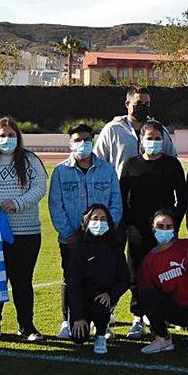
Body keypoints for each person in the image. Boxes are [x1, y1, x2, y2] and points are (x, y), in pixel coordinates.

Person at [0, 117, 47, 340]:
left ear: (18, 137)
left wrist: (17, 203)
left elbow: (40, 187)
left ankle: (26, 325)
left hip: (26, 232)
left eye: (11, 135)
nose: (7, 139)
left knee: (22, 280)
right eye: (2, 135)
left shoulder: (30, 161)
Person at [49, 123, 122, 339]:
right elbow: (56, 205)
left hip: (103, 238)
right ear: (70, 143)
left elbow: (116, 202)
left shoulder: (107, 170)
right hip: (72, 239)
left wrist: (108, 229)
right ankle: (67, 319)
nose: (83, 144)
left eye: (87, 140)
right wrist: (69, 234)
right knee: (70, 278)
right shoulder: (61, 171)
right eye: (77, 140)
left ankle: (103, 322)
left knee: (105, 277)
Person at [119, 120, 187, 339]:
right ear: (141, 140)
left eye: (158, 138)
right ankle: (138, 317)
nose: (154, 142)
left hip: (165, 232)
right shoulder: (131, 165)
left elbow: (182, 198)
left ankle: (168, 314)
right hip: (138, 231)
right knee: (137, 273)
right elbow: (122, 198)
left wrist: (173, 222)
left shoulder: (172, 165)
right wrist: (130, 225)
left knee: (167, 271)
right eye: (149, 138)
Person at [137, 210, 188, 354]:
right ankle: (163, 338)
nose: (164, 230)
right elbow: (148, 294)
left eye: (168, 227)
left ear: (174, 228)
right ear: (153, 228)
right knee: (146, 295)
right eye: (160, 226)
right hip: (175, 308)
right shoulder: (149, 261)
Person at [65, 204, 131, 355]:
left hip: (103, 299)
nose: (99, 223)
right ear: (87, 222)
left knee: (101, 305)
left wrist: (111, 295)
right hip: (82, 300)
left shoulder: (115, 247)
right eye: (95, 219)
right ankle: (79, 321)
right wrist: (78, 316)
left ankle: (101, 334)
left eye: (103, 219)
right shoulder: (79, 248)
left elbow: (125, 279)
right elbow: (73, 284)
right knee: (78, 338)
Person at [93, 86, 177, 177]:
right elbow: (98, 161)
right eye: (139, 103)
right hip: (121, 187)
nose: (143, 106)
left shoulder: (160, 129)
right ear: (127, 104)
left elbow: (172, 158)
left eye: (146, 103)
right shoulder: (112, 130)